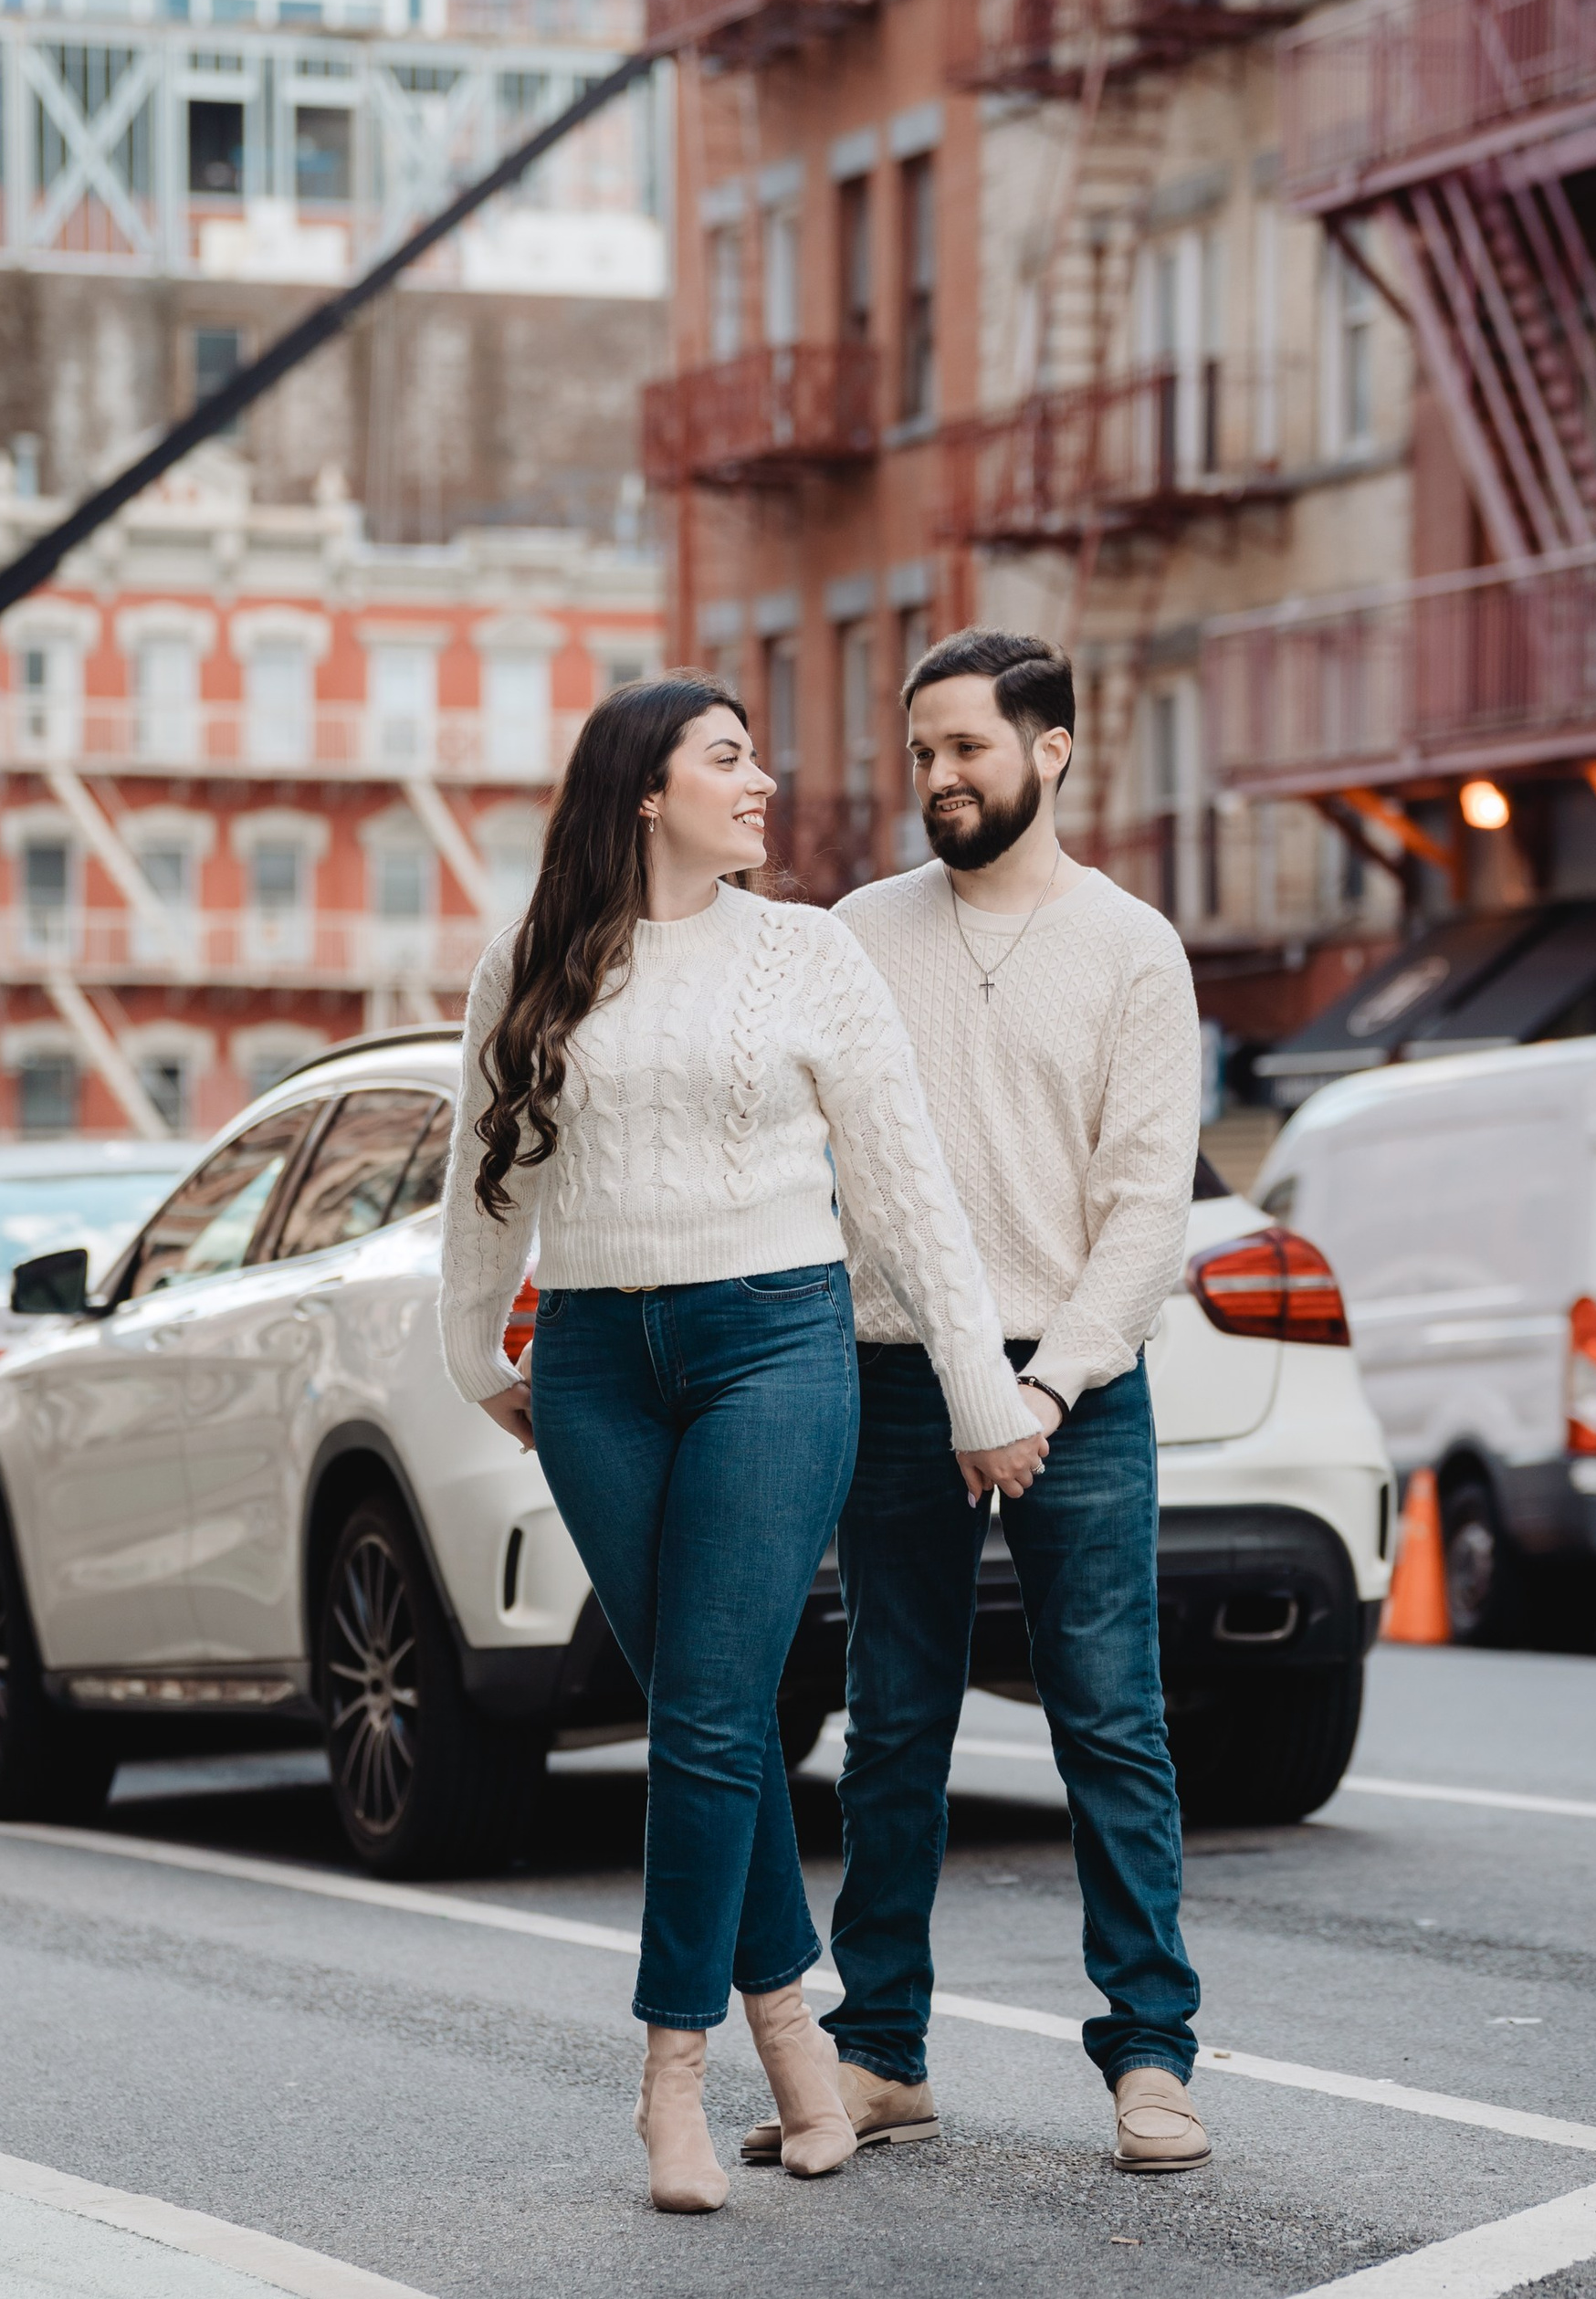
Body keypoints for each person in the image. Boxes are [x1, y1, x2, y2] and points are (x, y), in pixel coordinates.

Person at [437, 672, 1045, 2215]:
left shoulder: (807, 954)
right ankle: (796, 2046)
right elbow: (484, 1174)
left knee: (710, 1721)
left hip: (775, 1341)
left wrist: (979, 1386)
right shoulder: (533, 959)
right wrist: (468, 1347)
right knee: (705, 1714)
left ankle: (669, 2079)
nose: (763, 782)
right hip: (593, 1365)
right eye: (729, 758)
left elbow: (902, 1184)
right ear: (647, 792)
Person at [742, 628, 1208, 2176]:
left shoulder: (1132, 948)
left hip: (1079, 1388)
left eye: (967, 749)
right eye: (922, 753)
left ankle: (1151, 2056)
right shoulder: (857, 935)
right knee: (893, 1724)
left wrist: (1046, 1383)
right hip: (892, 1374)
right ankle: (882, 2052)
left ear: (1051, 750)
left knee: (1111, 1723)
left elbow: (1146, 1211)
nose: (937, 777)